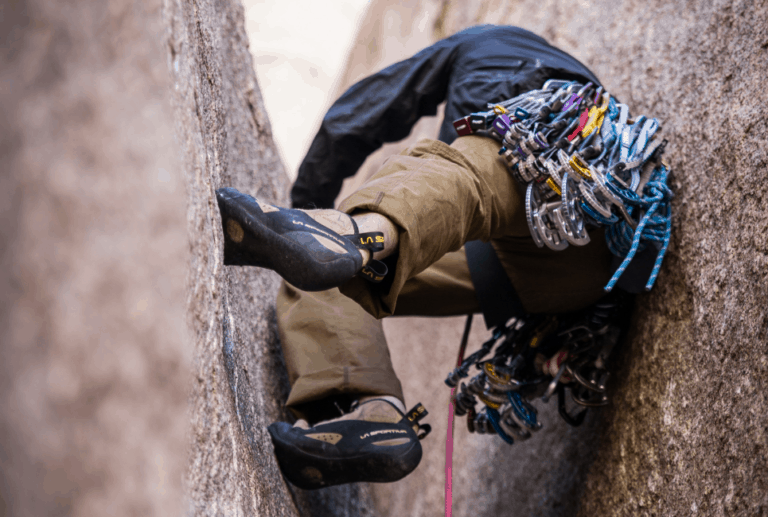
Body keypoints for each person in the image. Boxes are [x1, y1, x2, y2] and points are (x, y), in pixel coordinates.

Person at [216, 25, 619, 490]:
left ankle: (350, 232)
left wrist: (307, 205)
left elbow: (357, 117)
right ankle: (374, 415)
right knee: (319, 281)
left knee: (478, 164)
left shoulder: (488, 44)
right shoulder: (579, 84)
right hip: (564, 282)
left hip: (577, 204)